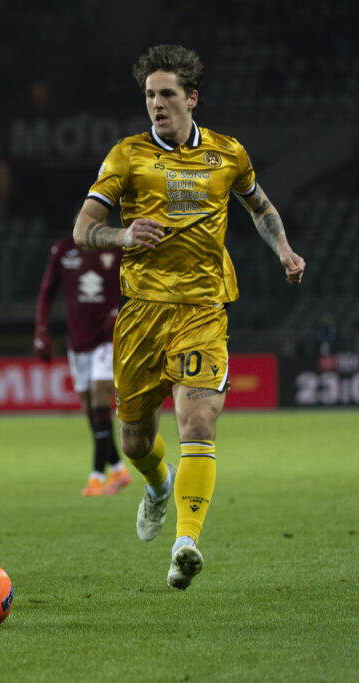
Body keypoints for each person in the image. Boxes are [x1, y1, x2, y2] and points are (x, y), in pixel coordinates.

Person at [73, 45, 305, 589]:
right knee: (133, 440)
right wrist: (123, 234)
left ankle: (185, 543)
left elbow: (261, 207)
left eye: (167, 94)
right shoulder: (126, 156)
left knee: (198, 422)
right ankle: (158, 485)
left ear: (191, 98)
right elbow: (84, 228)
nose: (156, 104)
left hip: (203, 309)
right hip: (141, 315)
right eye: (150, 94)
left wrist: (284, 250)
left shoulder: (228, 154)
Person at [33, 234, 130, 496]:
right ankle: (119, 468)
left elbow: (137, 283)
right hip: (77, 342)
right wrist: (41, 330)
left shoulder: (117, 249)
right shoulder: (63, 250)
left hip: (107, 340)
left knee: (100, 401)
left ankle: (97, 476)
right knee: (90, 409)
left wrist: (119, 310)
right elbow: (46, 291)